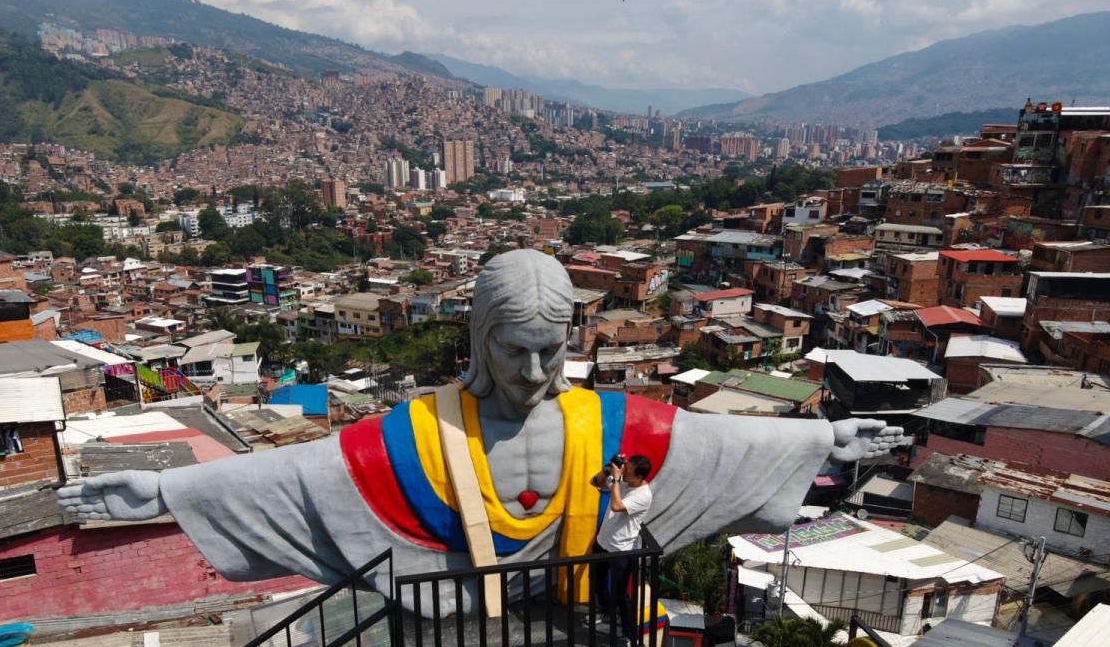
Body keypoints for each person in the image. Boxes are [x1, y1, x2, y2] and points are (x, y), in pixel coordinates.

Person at [57, 249, 908, 619]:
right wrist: (168, 489)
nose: (536, 371)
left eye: (552, 350)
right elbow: (304, 470)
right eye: (515, 349)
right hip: (460, 611)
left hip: (585, 607)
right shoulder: (416, 433)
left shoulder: (611, 423)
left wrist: (820, 443)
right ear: (478, 338)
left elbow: (718, 444)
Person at [587, 453, 653, 643]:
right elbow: (595, 482)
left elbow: (616, 506)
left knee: (621, 594)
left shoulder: (643, 495)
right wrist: (608, 468)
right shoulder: (623, 481)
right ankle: (607, 612)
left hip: (622, 550)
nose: (624, 473)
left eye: (629, 472)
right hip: (602, 542)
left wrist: (616, 478)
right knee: (597, 582)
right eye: (625, 467)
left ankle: (629, 633)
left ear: (640, 477)